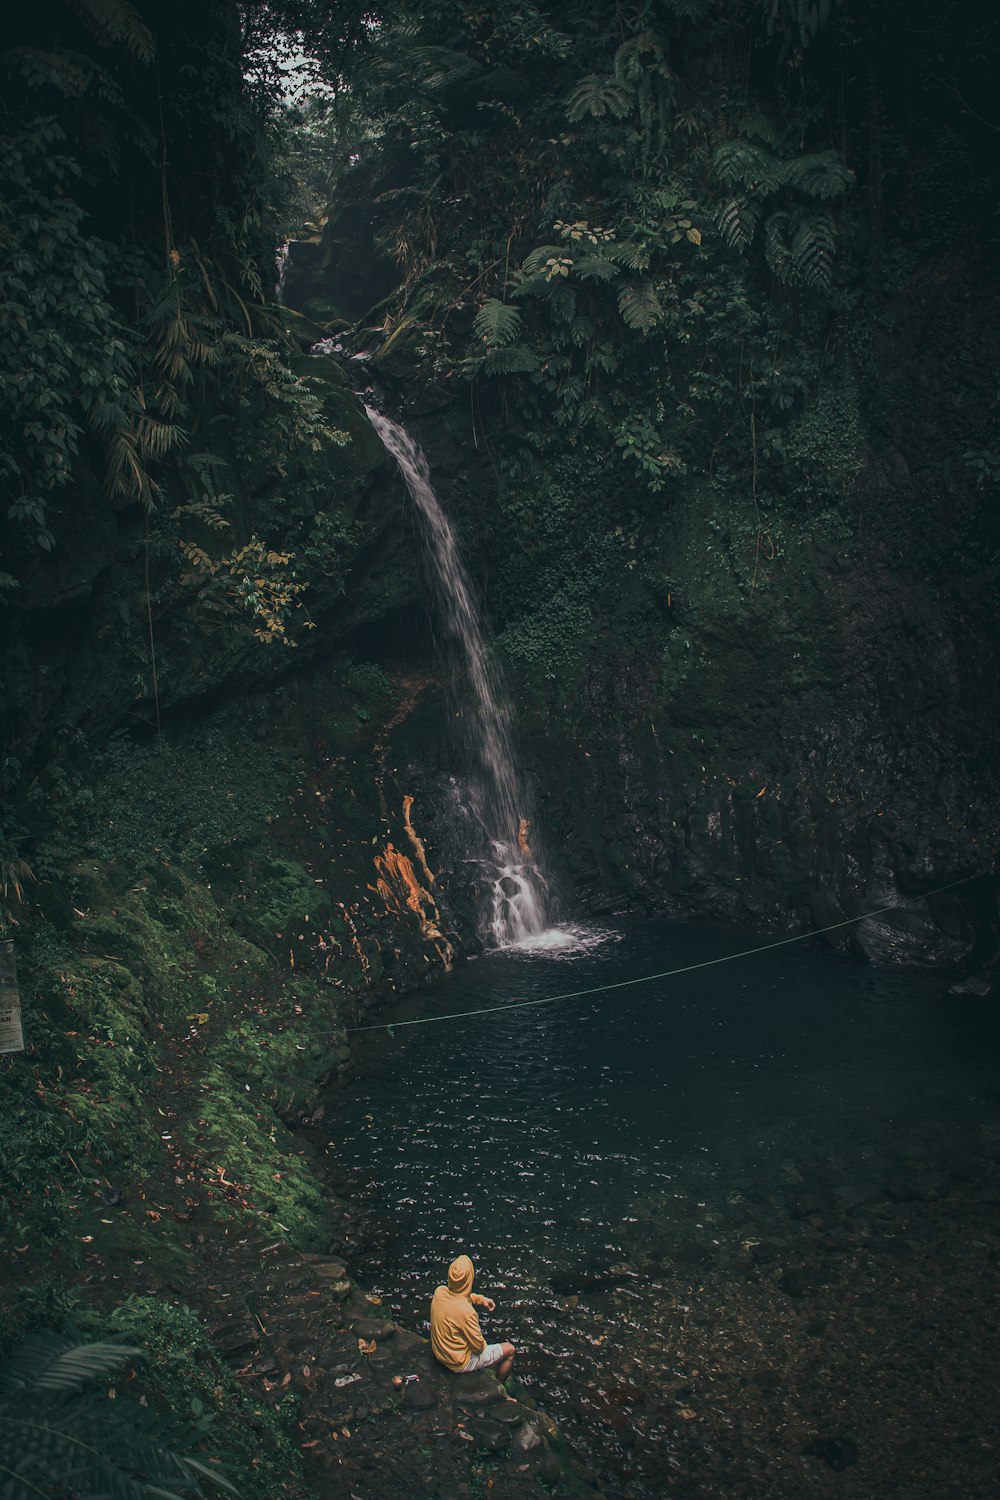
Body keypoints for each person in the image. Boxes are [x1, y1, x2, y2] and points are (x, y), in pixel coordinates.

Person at [430, 1254, 515, 1380]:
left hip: (440, 1353)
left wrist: (480, 1299)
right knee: (510, 1350)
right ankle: (500, 1388)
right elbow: (479, 1347)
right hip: (458, 1363)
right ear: (470, 1279)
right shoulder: (467, 1312)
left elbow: (457, 1295)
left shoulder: (440, 1291)